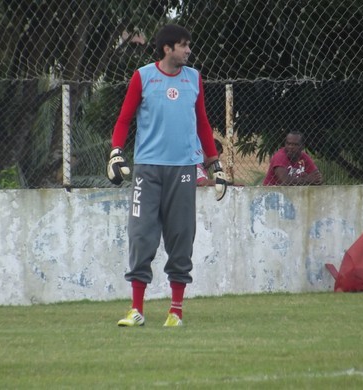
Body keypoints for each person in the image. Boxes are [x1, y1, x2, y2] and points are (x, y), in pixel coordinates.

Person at [107, 24, 227, 327]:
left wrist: (215, 165)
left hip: (184, 169)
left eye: (189, 45)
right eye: (183, 45)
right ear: (167, 49)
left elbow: (202, 123)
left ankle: (176, 312)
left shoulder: (194, 79)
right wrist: (116, 151)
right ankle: (136, 310)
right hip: (147, 169)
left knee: (181, 236)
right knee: (141, 235)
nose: (188, 50)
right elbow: (124, 118)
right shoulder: (143, 77)